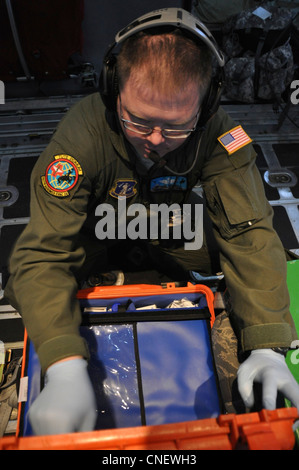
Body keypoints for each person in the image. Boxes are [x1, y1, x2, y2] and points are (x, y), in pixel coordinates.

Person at [4, 8, 299, 435]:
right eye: (138, 121)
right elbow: (45, 250)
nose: (155, 141)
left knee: (245, 259)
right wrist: (64, 365)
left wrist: (267, 344)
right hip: (93, 234)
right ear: (113, 90)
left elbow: (250, 232)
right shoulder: (81, 135)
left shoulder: (221, 136)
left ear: (207, 104)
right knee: (25, 273)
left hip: (169, 228)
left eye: (176, 126)